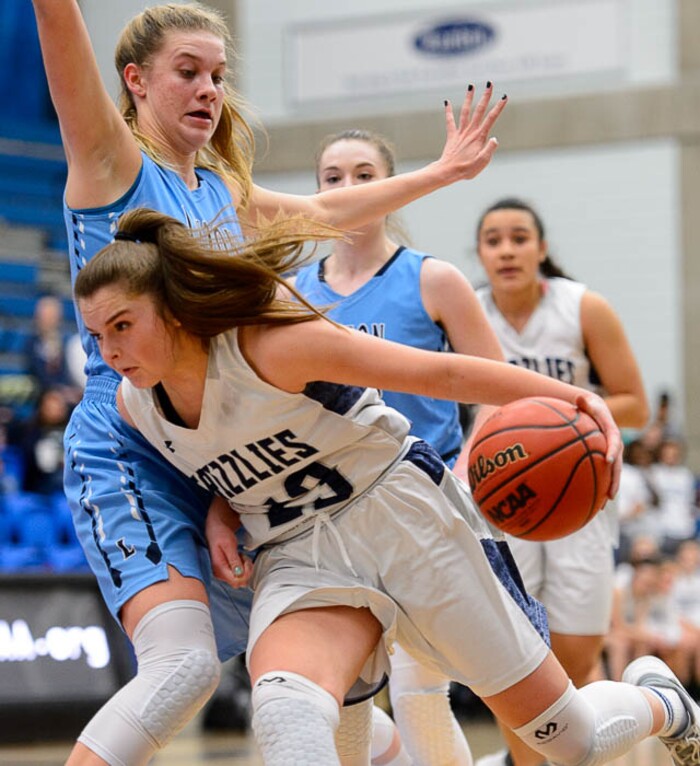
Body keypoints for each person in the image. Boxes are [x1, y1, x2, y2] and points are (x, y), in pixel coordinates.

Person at [31, 1, 508, 763]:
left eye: (217, 75)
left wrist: (440, 173)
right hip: (133, 441)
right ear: (134, 80)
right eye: (186, 72)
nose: (208, 90)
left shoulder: (218, 188)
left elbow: (322, 210)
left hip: (225, 446)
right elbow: (58, 24)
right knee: (183, 667)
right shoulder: (112, 161)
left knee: (315, 674)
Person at [73, 206, 700, 766]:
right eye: (97, 336)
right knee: (287, 712)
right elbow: (221, 456)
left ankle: (664, 705)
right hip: (300, 554)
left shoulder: (272, 345)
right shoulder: (136, 406)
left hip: (402, 515)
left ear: (174, 309)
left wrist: (577, 401)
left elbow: (441, 372)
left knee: (570, 740)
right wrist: (219, 517)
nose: (109, 350)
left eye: (123, 325)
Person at [293, 127, 506, 765]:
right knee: (346, 696)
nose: (349, 188)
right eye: (333, 177)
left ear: (391, 187)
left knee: (419, 689)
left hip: (424, 501)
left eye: (364, 174)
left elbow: (495, 387)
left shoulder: (434, 280)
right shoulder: (295, 291)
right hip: (331, 515)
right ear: (316, 191)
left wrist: (472, 467)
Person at [453, 197, 649, 766]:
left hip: (581, 496)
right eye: (493, 239)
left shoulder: (583, 308)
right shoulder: (465, 312)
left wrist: (553, 421)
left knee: (575, 660)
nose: (507, 249)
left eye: (519, 237)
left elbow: (635, 406)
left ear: (542, 248)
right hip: (498, 496)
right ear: (481, 254)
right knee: (511, 658)